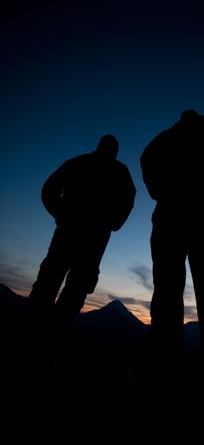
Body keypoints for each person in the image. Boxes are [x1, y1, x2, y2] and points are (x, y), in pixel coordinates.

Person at [26, 134, 136, 354]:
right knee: (57, 286)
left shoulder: (84, 164)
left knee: (63, 287)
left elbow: (128, 200)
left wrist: (61, 214)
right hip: (83, 239)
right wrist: (60, 214)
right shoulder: (112, 170)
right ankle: (41, 337)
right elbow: (49, 189)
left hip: (81, 239)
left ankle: (42, 337)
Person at [140, 110, 204, 356]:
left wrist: (159, 193)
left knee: (166, 291)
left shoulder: (167, 138)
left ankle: (165, 358)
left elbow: (146, 158)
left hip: (169, 220)